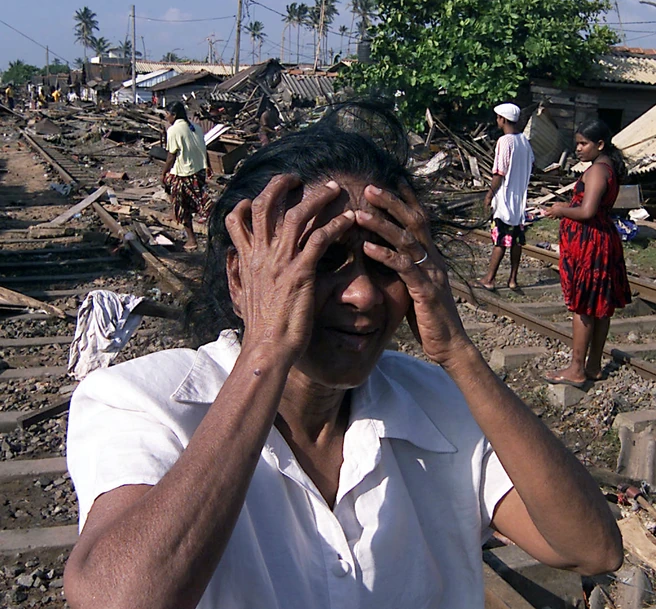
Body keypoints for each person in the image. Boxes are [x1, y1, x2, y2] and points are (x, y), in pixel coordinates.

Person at [63, 103, 623, 609]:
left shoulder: (439, 402)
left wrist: (457, 351)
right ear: (241, 278)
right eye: (323, 259)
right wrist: (266, 350)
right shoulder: (143, 402)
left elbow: (589, 548)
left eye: (385, 263)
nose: (363, 295)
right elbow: (120, 598)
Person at [541, 119, 631, 388]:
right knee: (600, 305)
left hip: (590, 244)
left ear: (600, 144)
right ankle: (593, 366)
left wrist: (561, 210)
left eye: (584, 144)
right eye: (577, 143)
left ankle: (577, 369)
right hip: (601, 239)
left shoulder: (597, 172)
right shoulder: (607, 167)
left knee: (584, 306)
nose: (578, 149)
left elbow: (587, 211)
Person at [479, 102, 534, 292]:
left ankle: (489, 279)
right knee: (516, 240)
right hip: (519, 201)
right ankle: (512, 279)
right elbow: (531, 164)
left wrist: (489, 195)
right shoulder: (524, 141)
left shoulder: (505, 141)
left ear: (502, 119)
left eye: (498, 117)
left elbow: (499, 173)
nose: (497, 121)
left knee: (500, 240)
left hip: (504, 199)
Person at [161, 101, 211, 251]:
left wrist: (163, 172)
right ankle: (175, 212)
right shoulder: (196, 128)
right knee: (191, 198)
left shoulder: (174, 130)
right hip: (199, 171)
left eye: (167, 114)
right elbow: (204, 149)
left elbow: (171, 155)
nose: (166, 117)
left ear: (174, 115)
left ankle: (191, 240)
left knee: (183, 207)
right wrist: (208, 166)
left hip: (184, 174)